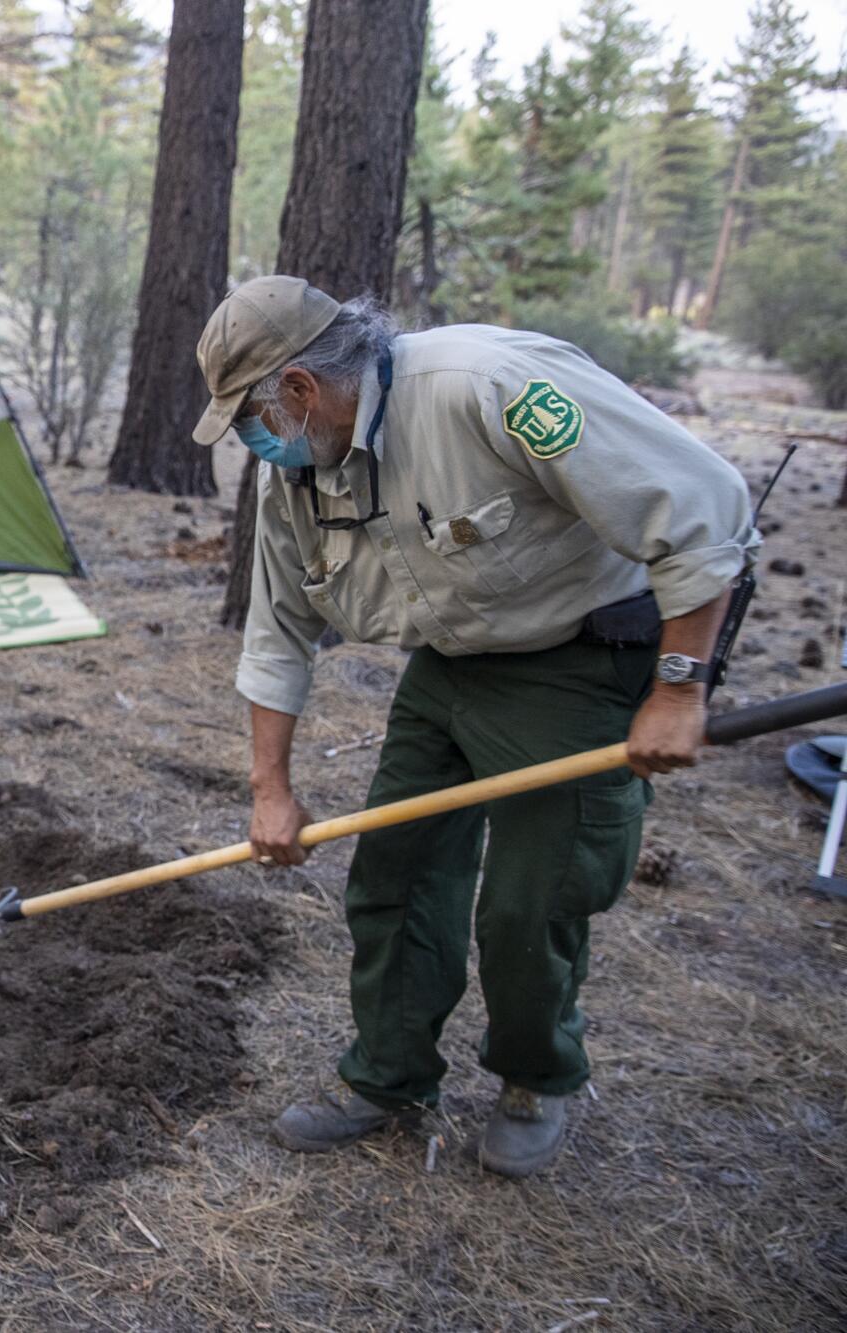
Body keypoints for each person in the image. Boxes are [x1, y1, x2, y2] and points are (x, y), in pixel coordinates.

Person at [192, 277, 758, 1177]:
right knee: (396, 868)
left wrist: (679, 688)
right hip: (452, 660)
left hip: (578, 656)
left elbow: (703, 506)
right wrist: (270, 789)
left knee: (531, 900)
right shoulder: (296, 473)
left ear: (300, 389)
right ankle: (387, 1075)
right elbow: (276, 633)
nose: (254, 443)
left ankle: (536, 1076)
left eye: (252, 416)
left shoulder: (489, 388)